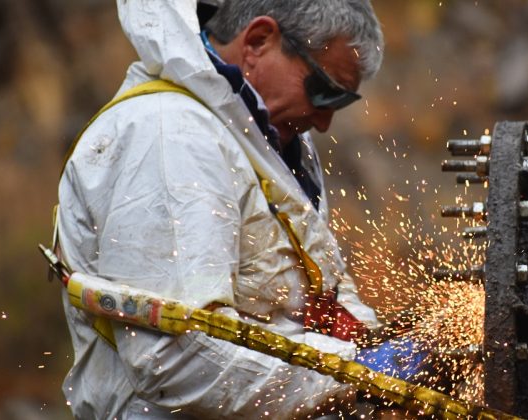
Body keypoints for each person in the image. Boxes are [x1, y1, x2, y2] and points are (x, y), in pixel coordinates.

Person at [56, 1, 385, 418]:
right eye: (324, 92)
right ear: (258, 42)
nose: (324, 121)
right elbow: (176, 357)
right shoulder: (170, 137)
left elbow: (312, 292)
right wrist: (354, 372)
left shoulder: (270, 142)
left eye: (340, 102)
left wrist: (380, 344)